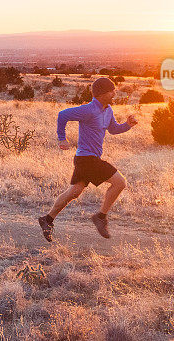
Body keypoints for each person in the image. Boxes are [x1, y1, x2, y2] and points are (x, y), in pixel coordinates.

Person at [38, 76, 137, 241]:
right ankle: (100, 217)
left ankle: (47, 219)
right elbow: (62, 115)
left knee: (74, 192)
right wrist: (61, 138)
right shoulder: (88, 110)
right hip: (87, 159)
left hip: (86, 159)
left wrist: (127, 125)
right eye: (111, 90)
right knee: (120, 182)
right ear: (102, 93)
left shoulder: (108, 110)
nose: (114, 93)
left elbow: (113, 129)